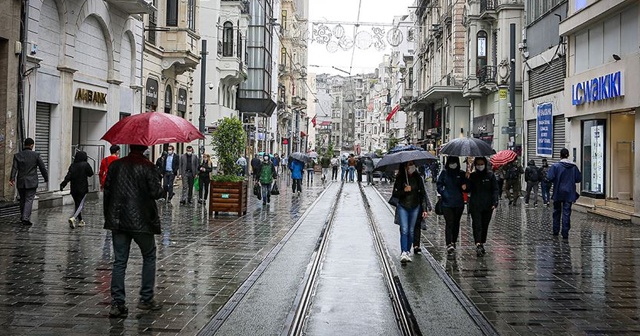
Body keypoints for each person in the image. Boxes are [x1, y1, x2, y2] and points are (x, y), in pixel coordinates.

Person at [104, 144, 166, 318]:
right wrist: (162, 186)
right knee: (149, 255)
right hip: (142, 221)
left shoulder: (116, 166)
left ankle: (117, 303)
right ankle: (146, 298)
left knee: (119, 261)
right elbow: (155, 192)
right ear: (145, 148)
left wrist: (109, 217)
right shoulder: (148, 166)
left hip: (118, 220)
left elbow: (107, 192)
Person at [392, 161, 428, 263]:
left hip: (415, 206)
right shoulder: (400, 178)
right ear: (405, 166)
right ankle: (403, 252)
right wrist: (404, 190)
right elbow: (395, 193)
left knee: (411, 230)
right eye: (409, 164)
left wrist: (424, 209)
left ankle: (408, 251)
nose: (411, 166)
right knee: (404, 229)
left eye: (412, 164)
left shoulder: (418, 178)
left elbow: (422, 194)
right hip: (403, 206)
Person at [9, 138, 48, 226]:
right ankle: (25, 218)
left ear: (24, 145)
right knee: (29, 199)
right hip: (31, 181)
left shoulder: (17, 155)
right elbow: (42, 168)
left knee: (22, 199)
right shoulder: (36, 155)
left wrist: (12, 179)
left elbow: (14, 168)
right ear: (32, 145)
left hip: (21, 181)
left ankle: (23, 216)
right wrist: (46, 178)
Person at [466, 157, 499, 256]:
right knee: (477, 225)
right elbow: (467, 189)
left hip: (487, 205)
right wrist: (467, 178)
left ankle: (482, 242)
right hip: (475, 204)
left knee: (484, 225)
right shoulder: (473, 176)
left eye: (482, 164)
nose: (480, 166)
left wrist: (494, 202)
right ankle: (478, 244)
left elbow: (495, 189)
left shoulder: (490, 176)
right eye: (478, 164)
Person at [547, 148, 582, 240]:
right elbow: (578, 179)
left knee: (556, 211)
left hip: (558, 192)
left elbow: (549, 177)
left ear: (560, 155)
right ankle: (565, 232)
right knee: (567, 212)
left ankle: (555, 230)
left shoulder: (555, 166)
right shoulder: (574, 167)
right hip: (569, 193)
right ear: (568, 155)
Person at [437, 156, 467, 255]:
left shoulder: (461, 173)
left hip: (458, 202)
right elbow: (439, 184)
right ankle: (448, 243)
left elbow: (466, 187)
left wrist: (465, 184)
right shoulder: (444, 173)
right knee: (449, 222)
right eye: (451, 162)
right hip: (447, 203)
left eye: (454, 162)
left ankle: (454, 241)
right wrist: (443, 192)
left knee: (456, 223)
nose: (453, 164)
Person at [60, 151, 94, 228]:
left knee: (77, 204)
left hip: (74, 189)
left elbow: (68, 176)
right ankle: (73, 218)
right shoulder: (85, 165)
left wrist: (63, 184)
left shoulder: (73, 165)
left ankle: (81, 220)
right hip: (83, 188)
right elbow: (91, 173)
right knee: (80, 205)